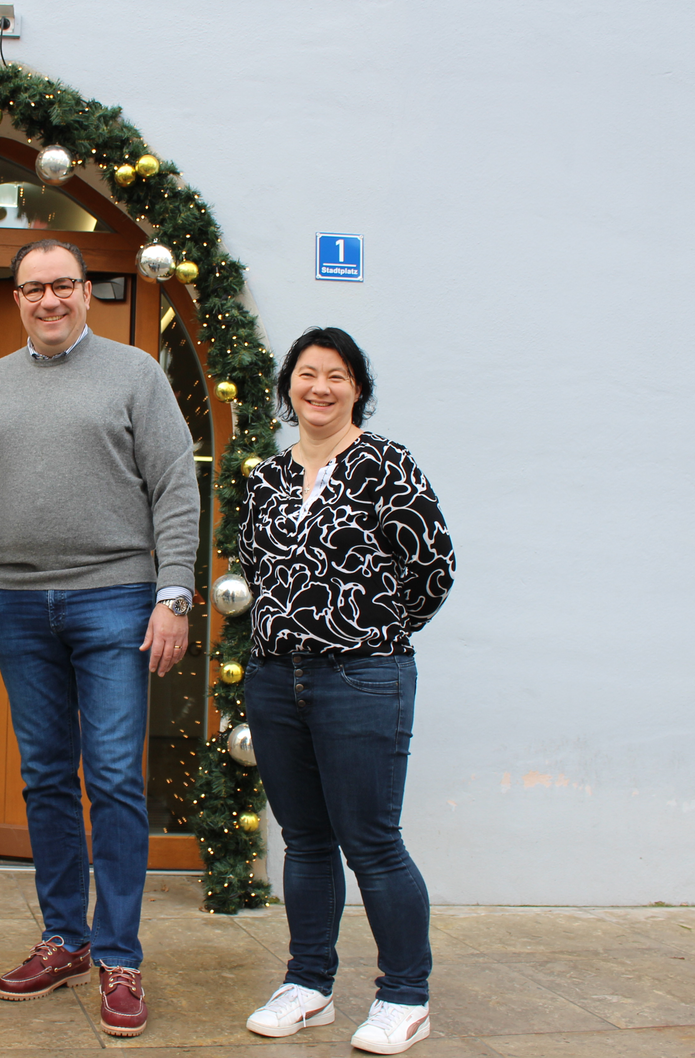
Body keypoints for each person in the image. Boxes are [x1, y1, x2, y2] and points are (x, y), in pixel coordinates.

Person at [0, 239, 199, 1038]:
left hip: (116, 599)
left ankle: (120, 956)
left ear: (86, 292)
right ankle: (65, 939)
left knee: (114, 777)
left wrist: (174, 594)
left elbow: (175, 486)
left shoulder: (136, 375)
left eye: (62, 286)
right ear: (16, 299)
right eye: (33, 289)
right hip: (17, 607)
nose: (48, 300)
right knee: (47, 777)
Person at [237, 327, 454, 1055]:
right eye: (307, 374)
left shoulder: (386, 464)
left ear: (357, 388)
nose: (320, 388)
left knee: (372, 842)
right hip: (276, 677)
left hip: (363, 676)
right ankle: (309, 984)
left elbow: (433, 569)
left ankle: (405, 996)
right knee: (304, 840)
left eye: (336, 375)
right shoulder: (266, 478)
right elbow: (256, 570)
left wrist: (370, 631)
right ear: (288, 387)